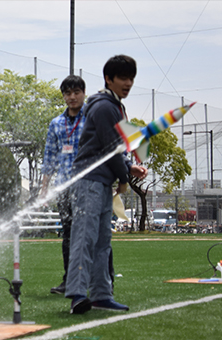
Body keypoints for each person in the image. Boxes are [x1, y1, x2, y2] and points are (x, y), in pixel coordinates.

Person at [65, 55, 148, 314]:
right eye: (123, 78)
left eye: (131, 78)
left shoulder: (113, 106)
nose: (128, 83)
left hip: (101, 182)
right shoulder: (104, 107)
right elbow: (112, 149)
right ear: (108, 79)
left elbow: (112, 148)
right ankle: (78, 294)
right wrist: (125, 175)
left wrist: (127, 168)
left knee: (103, 241)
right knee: (85, 239)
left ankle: (101, 294)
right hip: (89, 182)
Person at [40, 75, 86, 295]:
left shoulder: (92, 119)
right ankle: (69, 279)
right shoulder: (56, 123)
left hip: (89, 187)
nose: (72, 97)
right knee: (68, 235)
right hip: (64, 188)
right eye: (68, 93)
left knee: (89, 234)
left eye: (76, 92)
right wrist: (44, 188)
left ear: (83, 94)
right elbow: (49, 157)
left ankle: (97, 281)